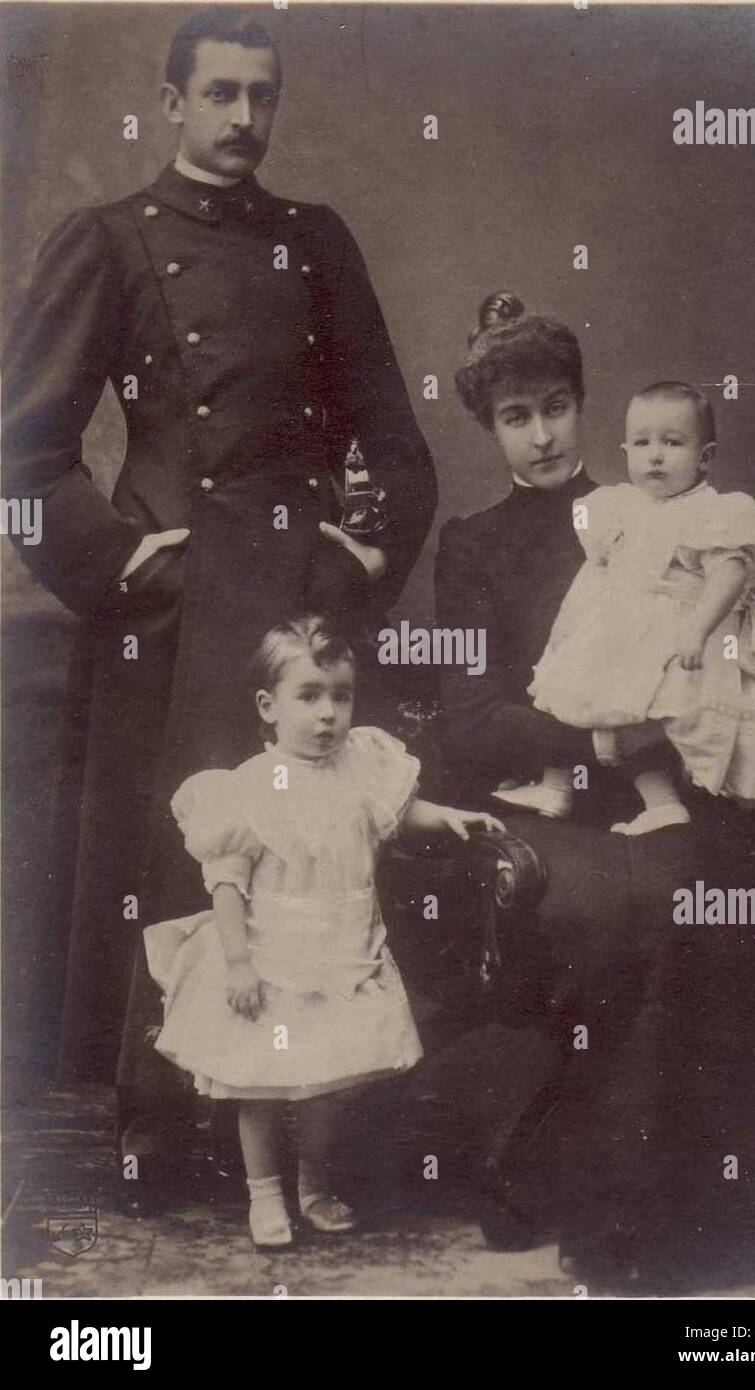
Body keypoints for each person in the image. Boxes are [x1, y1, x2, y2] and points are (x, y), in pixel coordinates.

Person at [1, 8, 436, 1203]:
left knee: (320, 863)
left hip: (302, 611)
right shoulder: (111, 239)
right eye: (222, 94)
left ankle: (315, 1136)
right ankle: (164, 1124)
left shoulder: (316, 240)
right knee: (188, 857)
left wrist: (356, 563)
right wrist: (127, 566)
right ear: (173, 101)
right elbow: (24, 453)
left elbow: (396, 441)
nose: (245, 118)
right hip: (178, 613)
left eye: (263, 95)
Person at [435, 293, 755, 1290]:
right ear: (489, 425)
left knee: (698, 893)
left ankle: (690, 1201)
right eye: (514, 415)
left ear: (582, 406)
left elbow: (722, 651)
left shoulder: (658, 513)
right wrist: (596, 736)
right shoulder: (471, 544)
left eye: (554, 406)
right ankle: (598, 1212)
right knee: (605, 908)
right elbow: (468, 719)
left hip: (664, 780)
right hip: (546, 797)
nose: (541, 434)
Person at [143, 615, 503, 1247]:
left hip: (344, 947)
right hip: (270, 950)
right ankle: (264, 1194)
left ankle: (313, 1183)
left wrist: (445, 815)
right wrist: (236, 964)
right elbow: (226, 881)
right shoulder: (246, 790)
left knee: (329, 1082)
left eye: (341, 695)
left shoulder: (361, 764)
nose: (328, 714)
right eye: (308, 696)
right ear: (268, 705)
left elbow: (393, 813)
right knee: (258, 1081)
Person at [496, 380, 755, 831]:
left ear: (705, 457)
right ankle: (557, 790)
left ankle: (661, 804)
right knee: (571, 703)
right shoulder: (622, 505)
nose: (655, 455)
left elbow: (730, 573)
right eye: (642, 443)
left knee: (636, 720)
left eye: (672, 443)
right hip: (615, 636)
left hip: (671, 640)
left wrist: (696, 630)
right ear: (626, 450)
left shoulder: (711, 511)